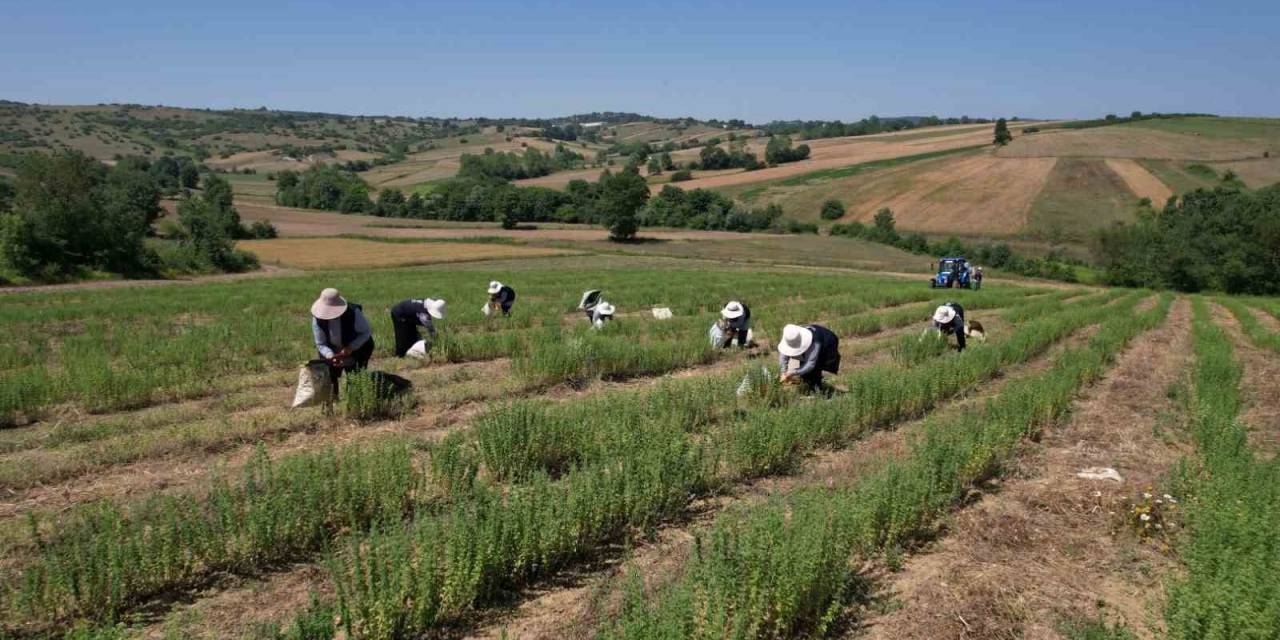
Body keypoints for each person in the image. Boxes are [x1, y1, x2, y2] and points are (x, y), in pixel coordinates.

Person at [311, 288, 374, 395]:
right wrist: (330, 355)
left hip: (358, 350)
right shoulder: (317, 318)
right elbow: (321, 343)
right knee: (329, 380)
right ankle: (332, 400)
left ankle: (354, 401)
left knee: (355, 381)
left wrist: (351, 347)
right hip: (332, 351)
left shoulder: (353, 312)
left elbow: (365, 333)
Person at [777, 323, 841, 394]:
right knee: (804, 372)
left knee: (816, 367)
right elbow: (783, 356)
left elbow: (810, 363)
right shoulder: (789, 338)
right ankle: (809, 383)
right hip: (814, 341)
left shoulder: (815, 342)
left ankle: (817, 391)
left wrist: (793, 372)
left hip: (828, 341)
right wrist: (783, 372)